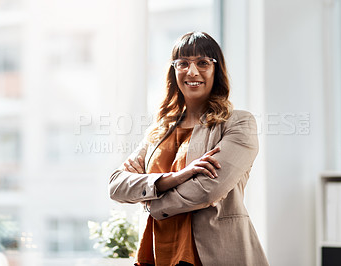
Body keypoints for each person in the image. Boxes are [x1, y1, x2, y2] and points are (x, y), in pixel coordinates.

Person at [109, 31, 269, 266]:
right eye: (183, 63)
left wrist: (151, 197)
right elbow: (116, 185)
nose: (192, 72)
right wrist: (176, 177)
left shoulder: (238, 123)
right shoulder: (159, 130)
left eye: (203, 63)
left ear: (217, 70)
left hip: (212, 254)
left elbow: (207, 190)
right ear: (174, 71)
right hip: (157, 254)